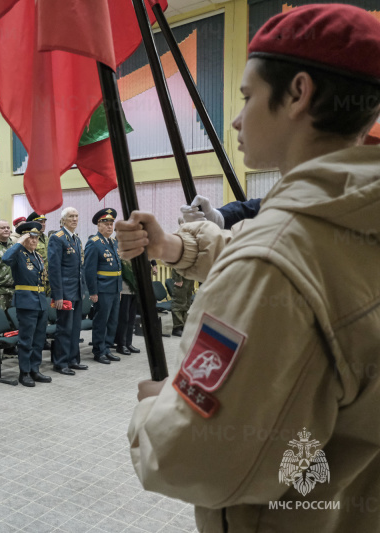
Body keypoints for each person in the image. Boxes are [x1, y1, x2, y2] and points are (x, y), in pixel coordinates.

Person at [117, 6, 380, 532]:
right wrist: (173, 246)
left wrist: (155, 409)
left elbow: (193, 460)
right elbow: (284, 258)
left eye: (246, 97)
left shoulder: (277, 257)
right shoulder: (353, 215)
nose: (236, 119)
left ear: (298, 93)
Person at [1, 222, 51, 387]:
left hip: (40, 300)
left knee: (38, 338)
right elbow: (5, 258)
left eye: (36, 237)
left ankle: (35, 369)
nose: (34, 240)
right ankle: (24, 372)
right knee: (26, 339)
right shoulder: (18, 254)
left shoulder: (37, 255)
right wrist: (19, 242)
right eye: (31, 237)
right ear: (24, 238)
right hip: (26, 301)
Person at [47, 207, 86, 375]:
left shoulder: (76, 239)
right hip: (65, 292)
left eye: (76, 216)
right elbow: (54, 269)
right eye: (71, 216)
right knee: (64, 328)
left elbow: (80, 268)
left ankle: (73, 359)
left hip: (76, 291)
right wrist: (58, 295)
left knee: (75, 328)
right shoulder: (57, 238)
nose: (74, 219)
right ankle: (61, 362)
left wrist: (82, 289)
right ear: (63, 220)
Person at [84, 208, 122, 364]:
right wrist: (93, 291)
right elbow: (89, 270)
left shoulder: (113, 242)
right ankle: (99, 351)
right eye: (106, 223)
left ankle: (107, 347)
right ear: (98, 225)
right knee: (101, 321)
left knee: (112, 321)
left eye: (111, 223)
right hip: (102, 289)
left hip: (114, 288)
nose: (109, 226)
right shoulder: (94, 243)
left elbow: (118, 267)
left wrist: (119, 289)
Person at [170, 268, 194, 337]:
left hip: (190, 278)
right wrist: (178, 279)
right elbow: (176, 265)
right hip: (182, 278)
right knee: (178, 303)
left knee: (186, 304)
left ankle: (183, 326)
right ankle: (177, 328)